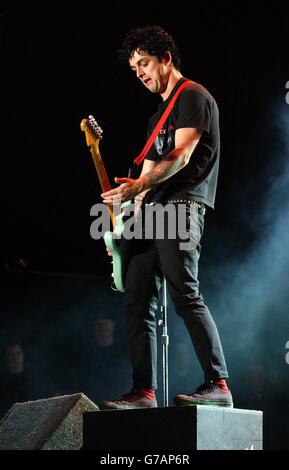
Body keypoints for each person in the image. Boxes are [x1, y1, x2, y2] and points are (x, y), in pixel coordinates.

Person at [100, 25, 233, 409]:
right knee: (136, 298)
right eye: (134, 68)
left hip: (183, 206)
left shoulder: (193, 96)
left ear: (165, 59)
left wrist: (138, 188)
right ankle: (143, 390)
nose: (140, 72)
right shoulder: (159, 114)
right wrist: (124, 226)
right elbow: (145, 180)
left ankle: (218, 383)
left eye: (144, 62)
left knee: (184, 293)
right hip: (154, 211)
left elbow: (182, 156)